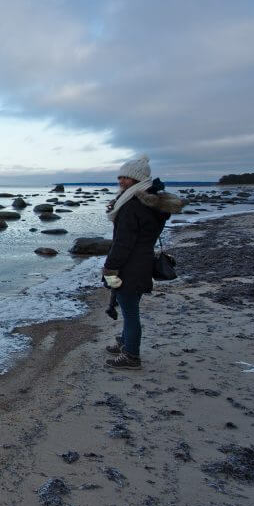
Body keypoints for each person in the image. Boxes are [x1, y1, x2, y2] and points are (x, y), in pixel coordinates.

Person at [102, 154, 186, 369]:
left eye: (127, 178)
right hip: (143, 261)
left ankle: (131, 355)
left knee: (129, 310)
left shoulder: (132, 206)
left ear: (138, 180)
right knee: (128, 304)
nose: (121, 181)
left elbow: (123, 243)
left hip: (130, 265)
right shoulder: (151, 203)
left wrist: (110, 269)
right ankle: (125, 341)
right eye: (120, 177)